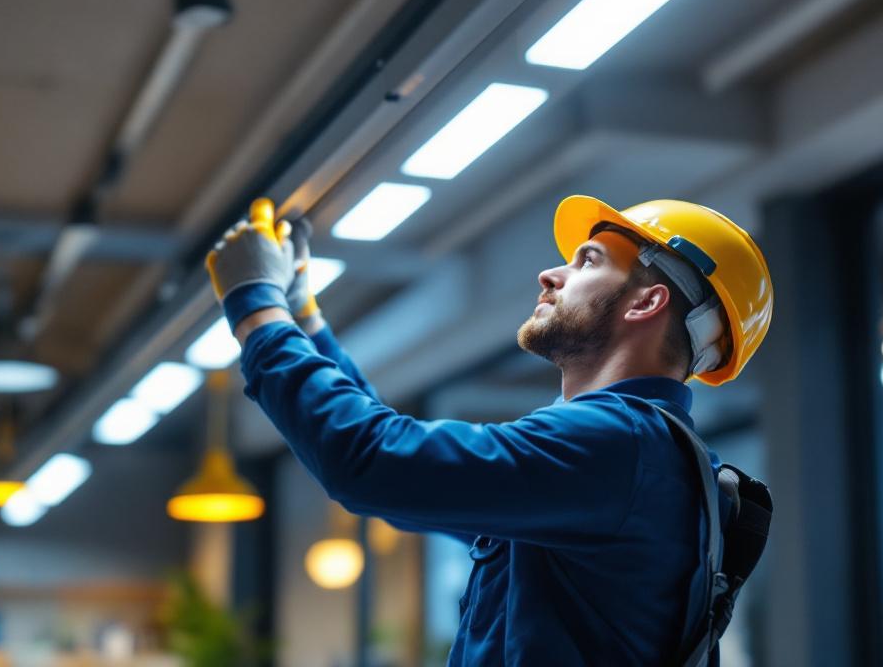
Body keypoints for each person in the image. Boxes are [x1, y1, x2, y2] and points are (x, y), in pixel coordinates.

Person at [207, 194, 773, 666]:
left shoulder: (616, 444)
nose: (551, 274)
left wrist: (255, 305)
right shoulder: (636, 455)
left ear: (647, 302)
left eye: (588, 261)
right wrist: (304, 318)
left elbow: (372, 463)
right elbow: (405, 480)